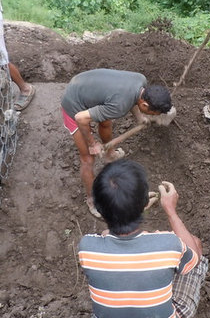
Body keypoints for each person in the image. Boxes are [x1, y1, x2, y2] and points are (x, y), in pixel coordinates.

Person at [78, 159, 208, 318]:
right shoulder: (169, 244)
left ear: (99, 209)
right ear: (145, 204)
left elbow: (106, 234)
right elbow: (193, 253)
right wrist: (170, 210)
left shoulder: (86, 246)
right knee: (196, 252)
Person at [61, 69, 172, 217]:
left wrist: (139, 116)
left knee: (106, 122)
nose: (152, 116)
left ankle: (110, 154)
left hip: (89, 87)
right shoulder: (119, 105)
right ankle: (92, 200)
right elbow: (81, 118)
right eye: (153, 113)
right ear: (145, 104)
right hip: (74, 104)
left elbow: (133, 100)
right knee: (88, 159)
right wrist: (92, 143)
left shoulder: (141, 80)